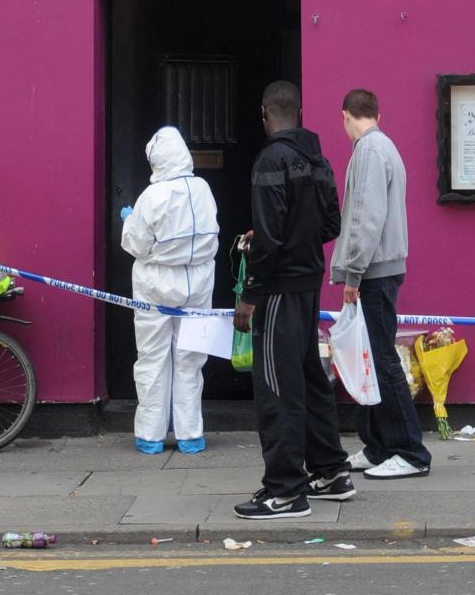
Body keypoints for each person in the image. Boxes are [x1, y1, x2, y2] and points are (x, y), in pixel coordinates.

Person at [232, 81, 354, 520]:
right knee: (309, 379)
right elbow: (330, 223)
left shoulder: (270, 159)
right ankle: (331, 473)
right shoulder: (316, 159)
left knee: (276, 388)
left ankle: (284, 490)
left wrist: (249, 295)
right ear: (298, 113)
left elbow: (270, 235)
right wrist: (293, 241)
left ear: (264, 113)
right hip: (307, 283)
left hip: (278, 290)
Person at [330, 88, 431, 479]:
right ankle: (377, 448)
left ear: (345, 116)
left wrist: (352, 273)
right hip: (383, 267)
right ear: (377, 112)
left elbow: (364, 219)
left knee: (383, 361)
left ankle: (410, 452)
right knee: (369, 360)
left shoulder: (369, 151)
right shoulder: (386, 147)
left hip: (373, 272)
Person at [120, 126, 219, 454]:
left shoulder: (153, 196)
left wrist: (129, 219)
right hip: (198, 284)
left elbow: (136, 244)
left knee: (152, 358)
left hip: (156, 286)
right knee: (190, 359)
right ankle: (191, 434)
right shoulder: (203, 189)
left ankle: (150, 436)